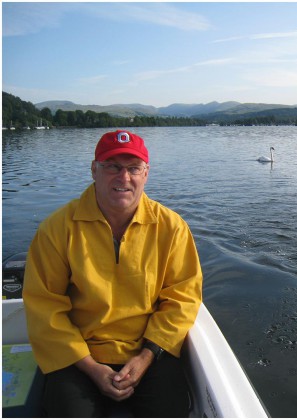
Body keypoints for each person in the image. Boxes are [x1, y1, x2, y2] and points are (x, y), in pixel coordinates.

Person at [23, 130, 203, 417]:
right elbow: (44, 307)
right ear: (94, 170)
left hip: (149, 350)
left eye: (133, 168)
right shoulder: (57, 229)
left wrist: (146, 356)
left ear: (146, 174)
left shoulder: (172, 228)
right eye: (112, 167)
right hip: (79, 355)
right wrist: (91, 367)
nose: (124, 178)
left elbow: (183, 298)